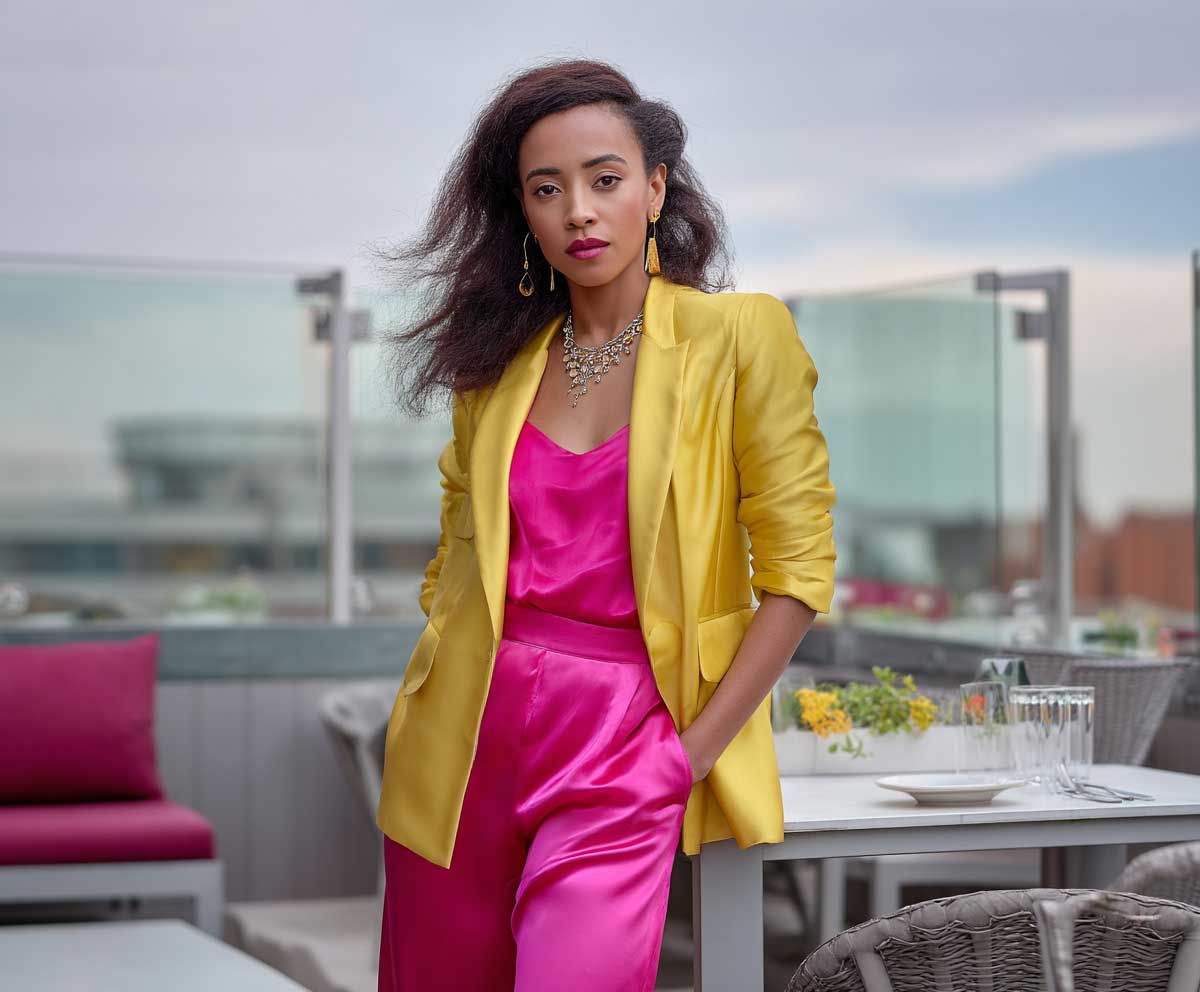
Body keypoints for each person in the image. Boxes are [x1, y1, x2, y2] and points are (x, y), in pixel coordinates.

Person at [374, 56, 837, 991]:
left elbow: (797, 575)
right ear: (525, 214)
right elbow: (456, 557)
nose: (578, 210)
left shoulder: (741, 337)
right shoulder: (494, 369)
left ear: (656, 188)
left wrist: (682, 756)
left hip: (628, 739)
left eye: (605, 180)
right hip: (465, 734)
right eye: (547, 190)